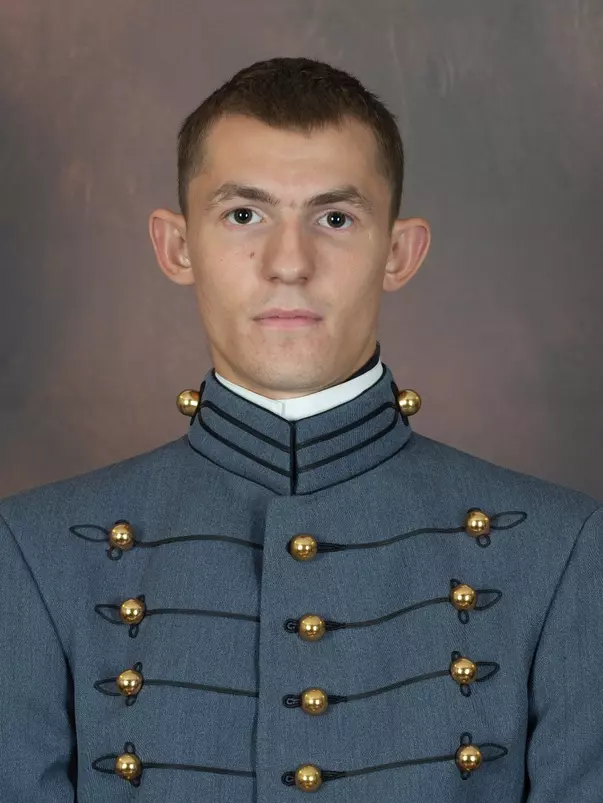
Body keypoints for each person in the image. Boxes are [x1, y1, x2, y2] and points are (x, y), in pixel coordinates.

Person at [0, 56, 601, 803]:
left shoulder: (566, 550)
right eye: (243, 215)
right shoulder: (32, 551)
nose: (289, 263)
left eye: (335, 217)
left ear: (399, 252)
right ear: (177, 246)